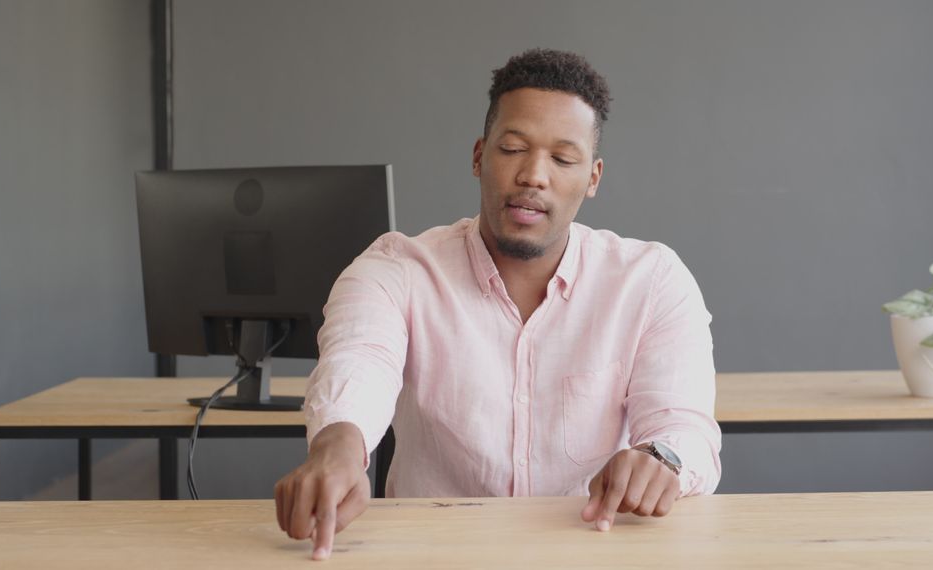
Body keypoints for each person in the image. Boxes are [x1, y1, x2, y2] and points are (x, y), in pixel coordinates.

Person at [274, 48, 721, 561]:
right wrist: (338, 449)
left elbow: (683, 429)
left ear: (592, 178)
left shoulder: (651, 281)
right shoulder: (396, 268)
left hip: (592, 551)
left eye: (563, 159)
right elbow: (358, 365)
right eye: (513, 148)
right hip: (431, 555)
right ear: (478, 156)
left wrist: (657, 457)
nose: (534, 174)